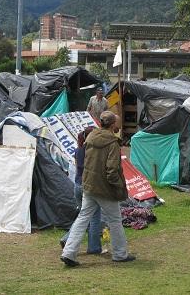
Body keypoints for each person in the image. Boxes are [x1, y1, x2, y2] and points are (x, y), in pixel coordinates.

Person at [61, 111, 134, 266]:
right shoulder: (112, 143)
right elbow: (112, 170)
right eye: (118, 123)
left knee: (82, 219)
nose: (119, 125)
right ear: (113, 125)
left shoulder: (91, 138)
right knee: (115, 221)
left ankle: (69, 253)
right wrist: (119, 188)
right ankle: (120, 254)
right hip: (104, 189)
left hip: (89, 186)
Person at [59, 127, 102, 254]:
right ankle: (94, 247)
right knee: (94, 217)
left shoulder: (78, 150)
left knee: (82, 216)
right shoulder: (93, 151)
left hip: (77, 186)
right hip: (88, 186)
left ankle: (67, 239)